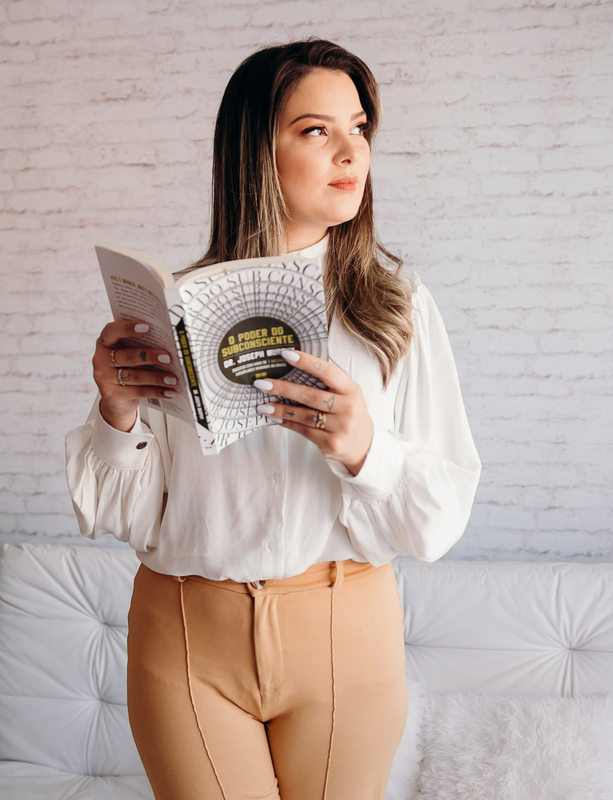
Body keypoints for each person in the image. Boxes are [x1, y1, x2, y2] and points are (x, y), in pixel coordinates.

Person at [65, 39, 480, 800]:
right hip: (186, 632)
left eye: (359, 128)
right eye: (316, 131)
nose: (350, 152)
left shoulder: (395, 312)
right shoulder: (172, 310)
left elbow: (443, 517)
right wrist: (116, 413)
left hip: (344, 631)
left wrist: (365, 450)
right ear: (256, 151)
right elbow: (122, 514)